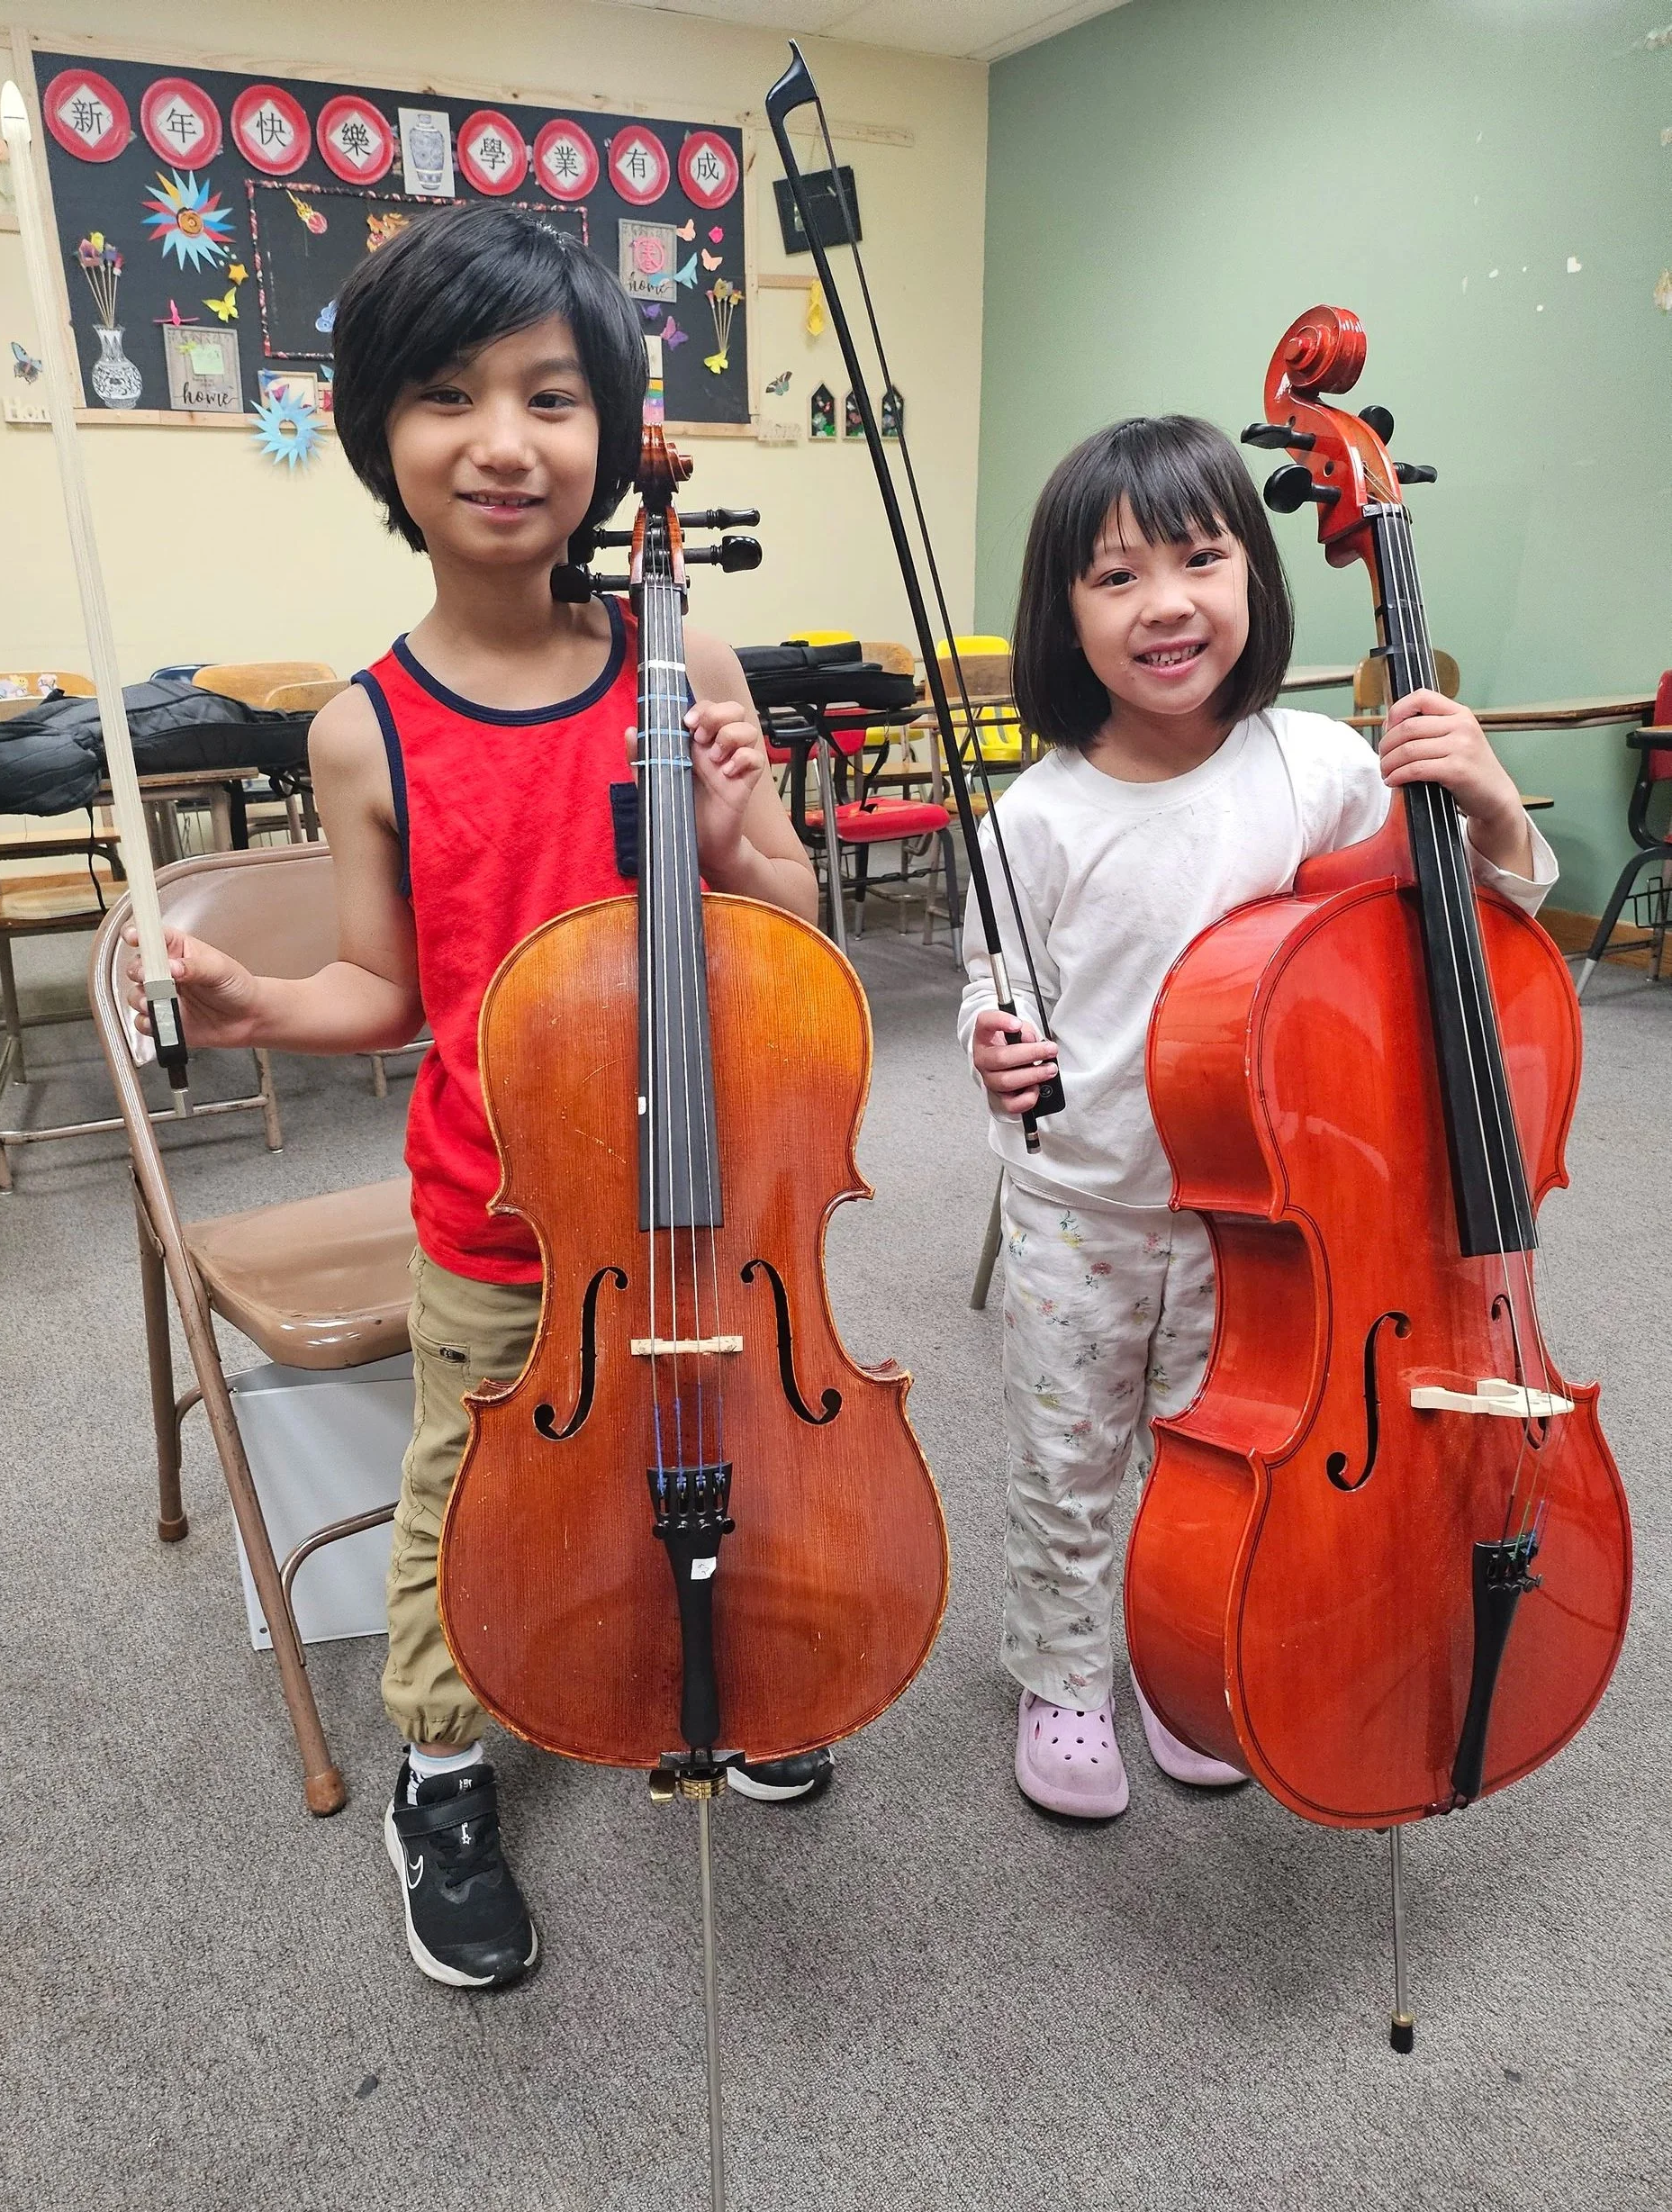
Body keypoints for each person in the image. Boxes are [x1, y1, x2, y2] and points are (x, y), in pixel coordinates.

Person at [125, 206, 826, 1988]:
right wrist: (252, 996)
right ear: (378, 435)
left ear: (607, 434)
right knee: (472, 1494)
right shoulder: (365, 724)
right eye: (447, 394)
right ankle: (439, 1769)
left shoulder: (689, 661)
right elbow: (390, 990)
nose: (504, 440)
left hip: (713, 1202)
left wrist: (744, 834)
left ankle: (718, 1672)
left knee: (731, 1446)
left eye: (550, 394)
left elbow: (795, 941)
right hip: (500, 1215)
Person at [960, 414, 1555, 1820]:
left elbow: (1482, 927)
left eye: (1200, 557)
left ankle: (1182, 1658)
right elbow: (998, 983)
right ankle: (1058, 1672)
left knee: (1220, 1462)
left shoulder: (1323, 767)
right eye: (1114, 577)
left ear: (1253, 576)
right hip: (1084, 1208)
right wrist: (992, 1038)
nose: (1165, 603)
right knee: (1069, 1464)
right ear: (1063, 613)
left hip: (1269, 1223)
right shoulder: (1033, 816)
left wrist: (1483, 807)